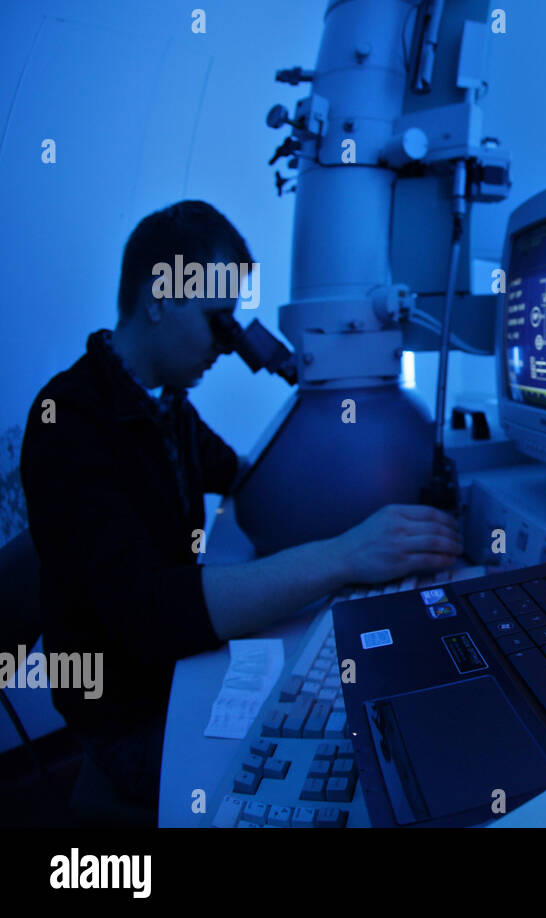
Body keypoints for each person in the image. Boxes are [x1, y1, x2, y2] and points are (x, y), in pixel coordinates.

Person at [19, 201, 462, 821]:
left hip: (174, 667)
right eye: (218, 321)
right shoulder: (70, 420)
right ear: (159, 297)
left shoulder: (163, 406)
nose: (227, 346)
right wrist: (344, 555)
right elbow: (148, 612)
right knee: (344, 764)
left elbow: (248, 479)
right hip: (127, 713)